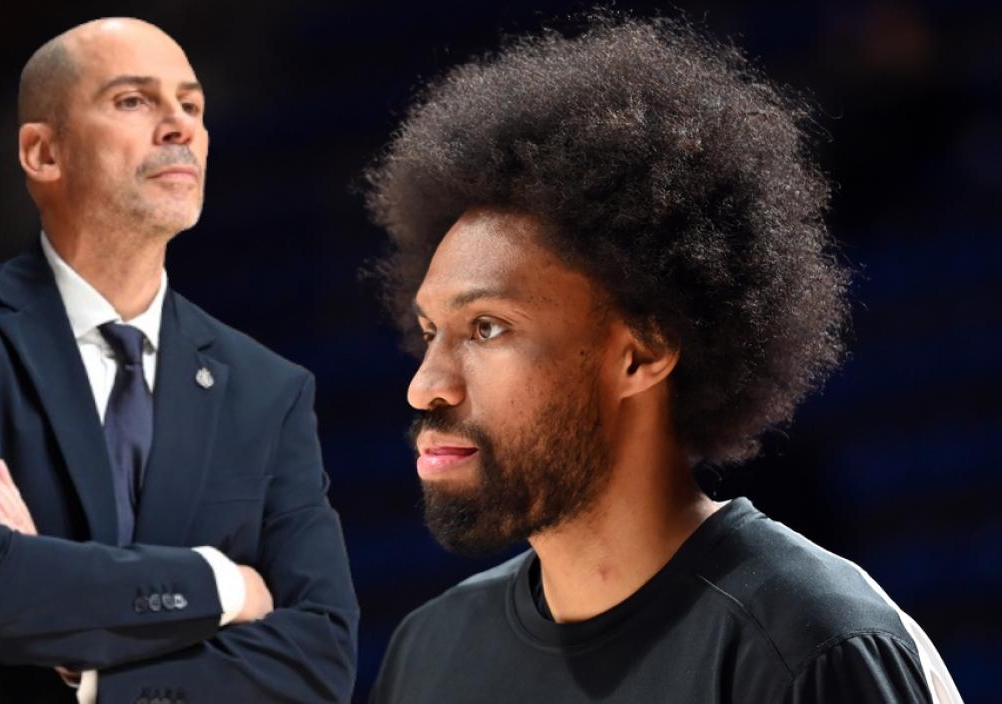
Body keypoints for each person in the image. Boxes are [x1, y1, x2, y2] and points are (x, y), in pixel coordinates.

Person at [365, 12, 961, 703]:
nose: (426, 386)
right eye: (430, 331)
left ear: (642, 354)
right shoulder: (428, 653)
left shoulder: (811, 645)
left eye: (488, 328)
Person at [0, 17, 357, 703]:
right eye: (133, 100)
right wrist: (223, 584)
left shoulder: (269, 390)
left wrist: (90, 664)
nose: (179, 126)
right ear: (43, 152)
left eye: (192, 106)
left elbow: (320, 659)